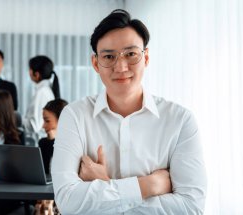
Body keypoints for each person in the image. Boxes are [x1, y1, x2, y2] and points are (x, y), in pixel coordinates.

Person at [51, 9, 207, 214]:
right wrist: (149, 185)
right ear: (96, 63)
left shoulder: (180, 120)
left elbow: (190, 207)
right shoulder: (75, 116)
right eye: (109, 56)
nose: (121, 66)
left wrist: (105, 184)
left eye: (131, 54)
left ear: (146, 58)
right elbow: (67, 202)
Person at [34, 99, 68, 215]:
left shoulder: (73, 143)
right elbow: (42, 172)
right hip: (47, 192)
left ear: (62, 121)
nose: (43, 126)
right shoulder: (43, 143)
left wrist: (55, 141)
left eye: (47, 121)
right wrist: (50, 141)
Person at [23, 55, 60, 142]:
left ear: (36, 74)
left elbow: (35, 126)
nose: (29, 72)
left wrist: (16, 118)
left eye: (30, 69)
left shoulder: (42, 92)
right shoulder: (45, 90)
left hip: (38, 141)